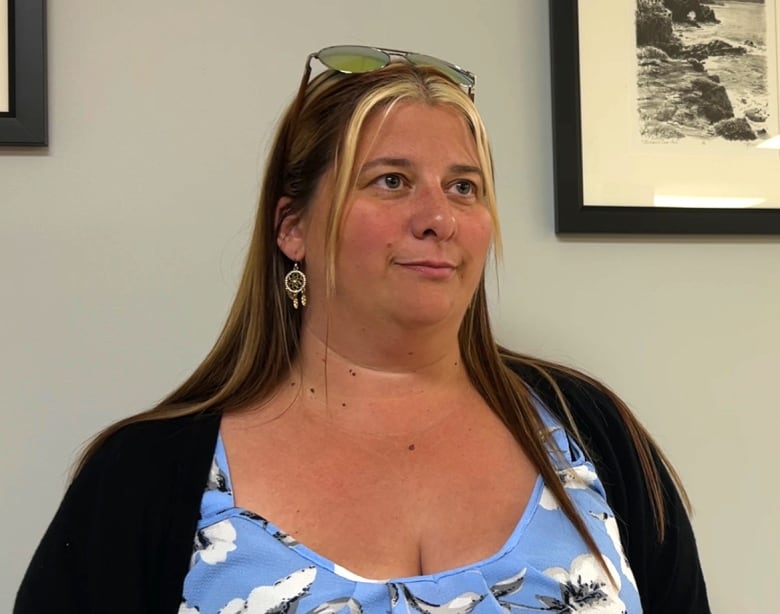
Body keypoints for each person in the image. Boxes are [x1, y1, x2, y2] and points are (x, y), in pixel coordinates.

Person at [15, 45, 710, 614]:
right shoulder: (146, 478)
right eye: (391, 181)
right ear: (293, 229)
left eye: (464, 187)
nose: (437, 217)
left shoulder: (594, 434)